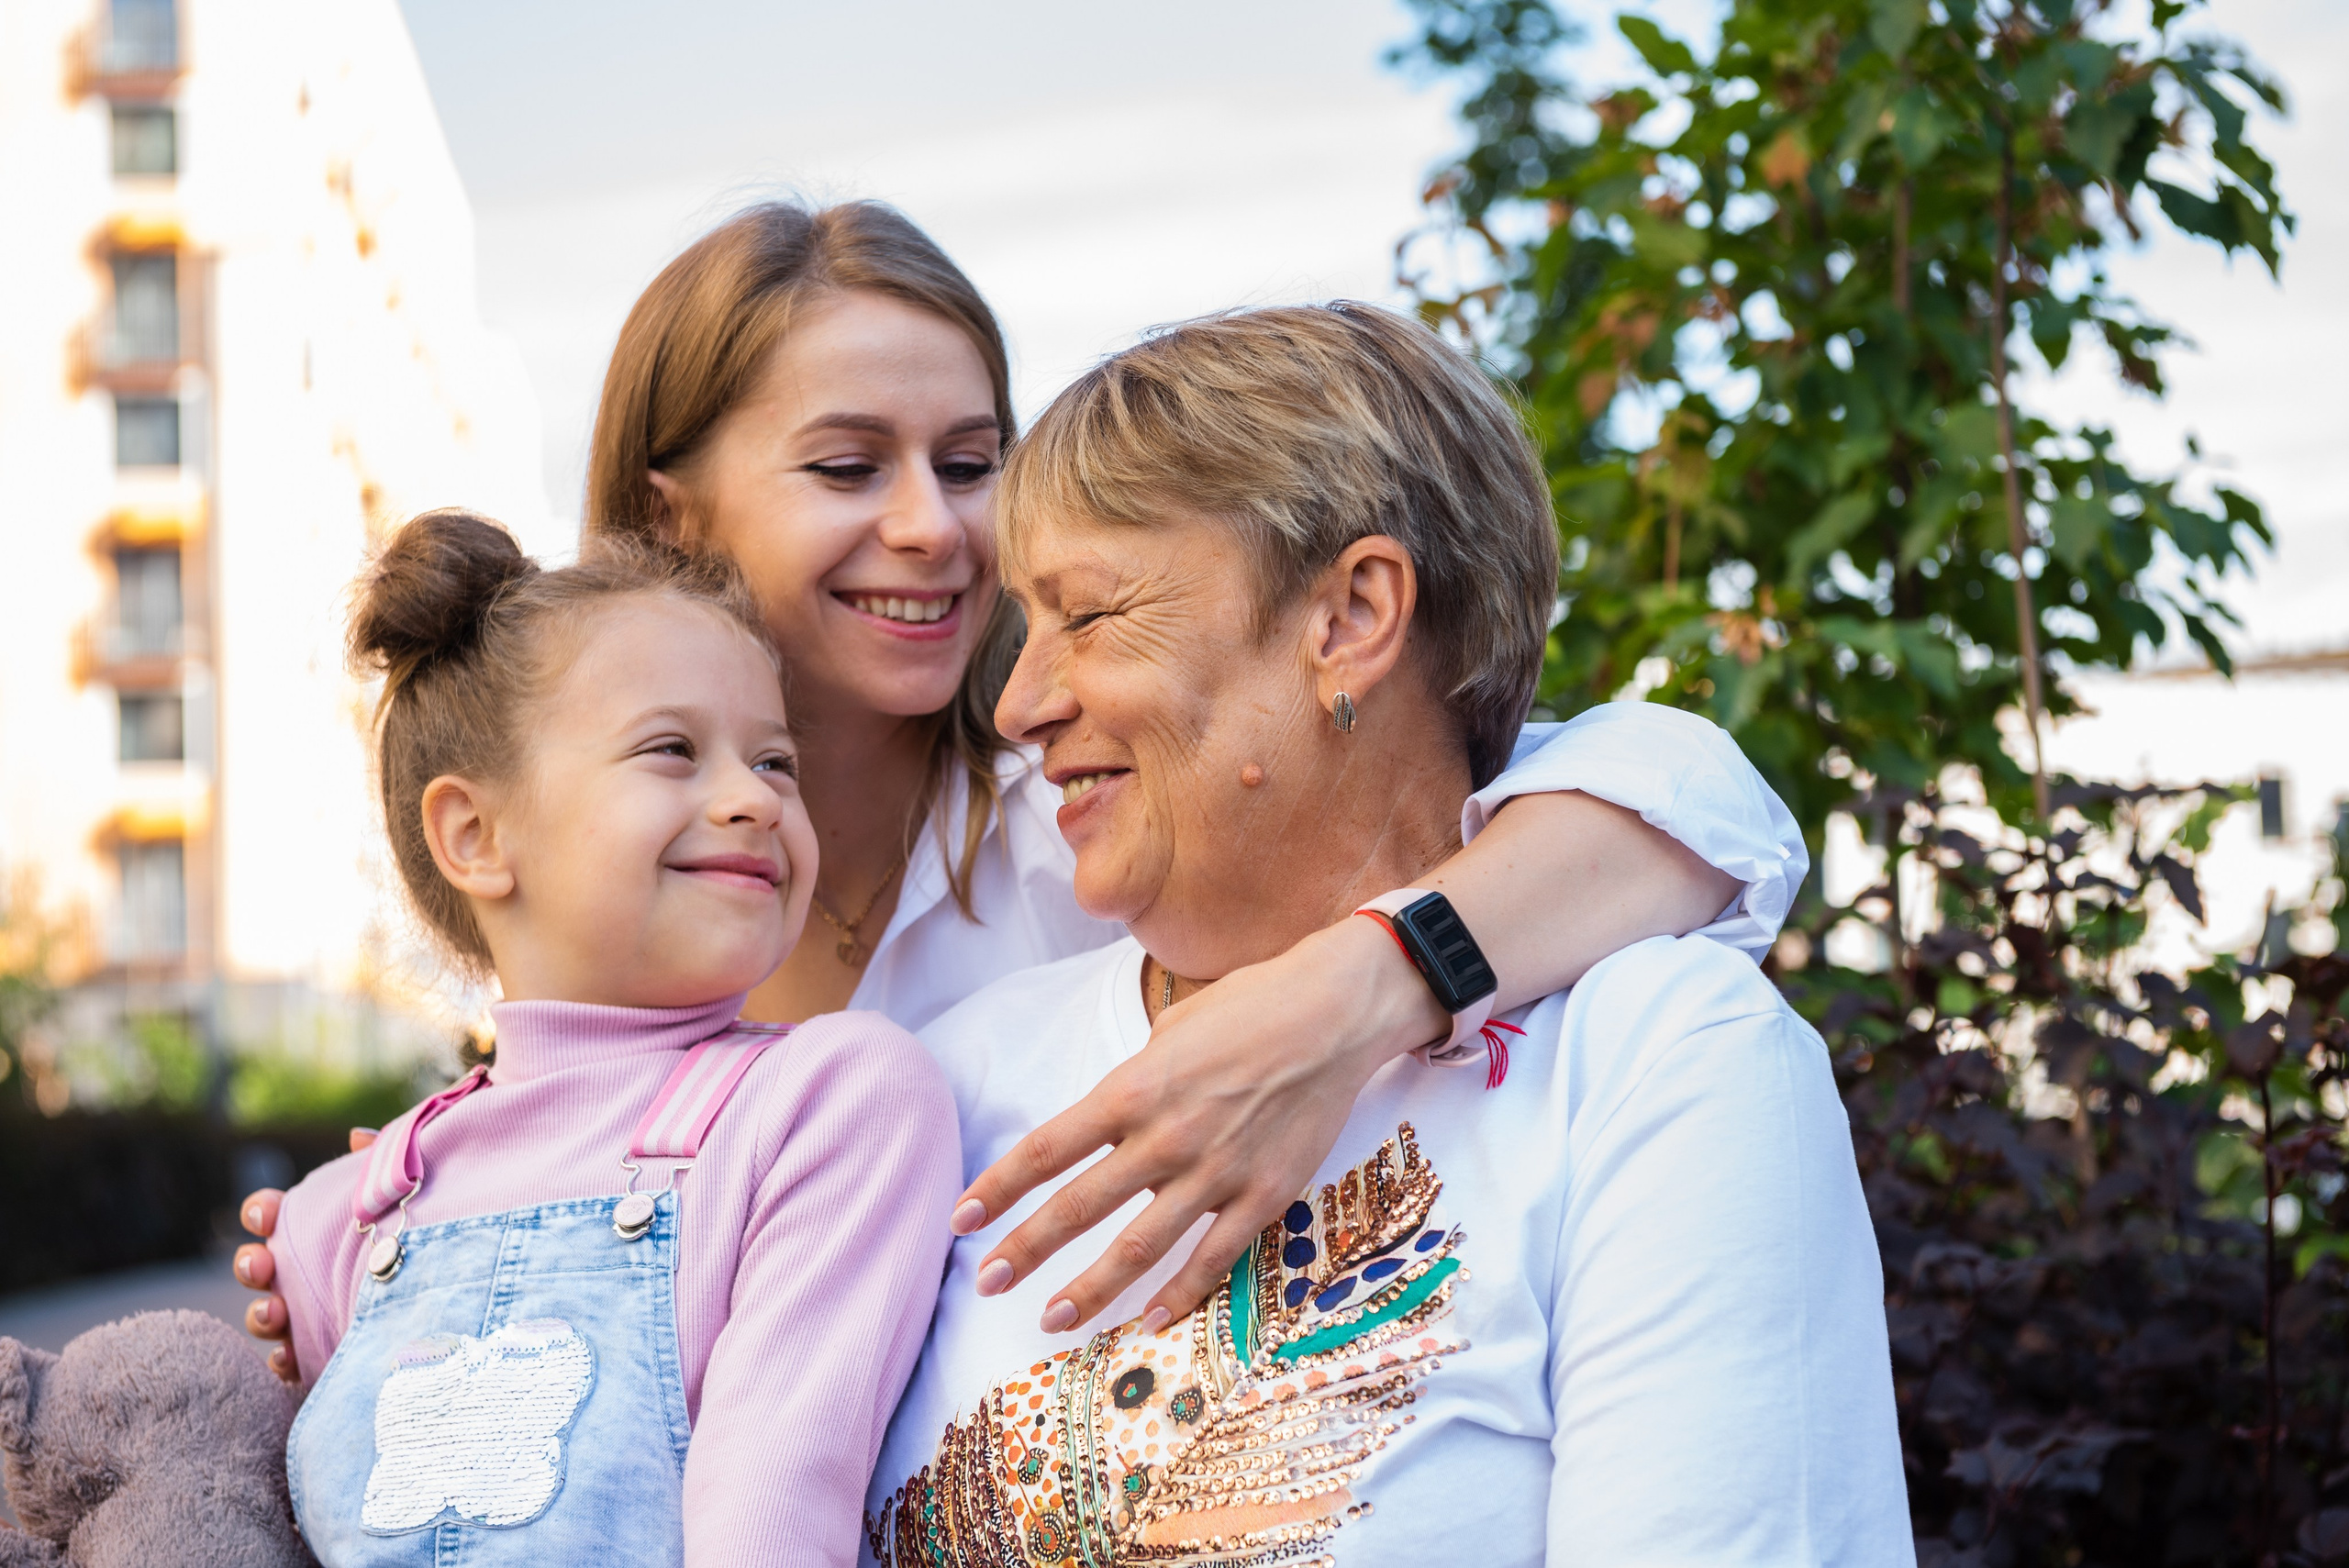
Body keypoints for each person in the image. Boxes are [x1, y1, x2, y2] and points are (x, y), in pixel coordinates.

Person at [238, 200, 1804, 1363]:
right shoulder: (601, 870)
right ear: (674, 517)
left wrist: (1363, 983)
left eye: (972, 461)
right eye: (848, 466)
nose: (935, 528)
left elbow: (1694, 801)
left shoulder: (1096, 820)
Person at [866, 305, 1909, 1566]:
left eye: (1087, 616)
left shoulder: (1658, 1064)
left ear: (1351, 617)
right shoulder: (949, 1079)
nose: (1022, 703)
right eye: (1023, 630)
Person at [267, 512, 957, 1564]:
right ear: (474, 835)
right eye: (672, 749)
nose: (754, 798)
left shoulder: (833, 1099)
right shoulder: (345, 1214)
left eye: (776, 761)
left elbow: (774, 1506)